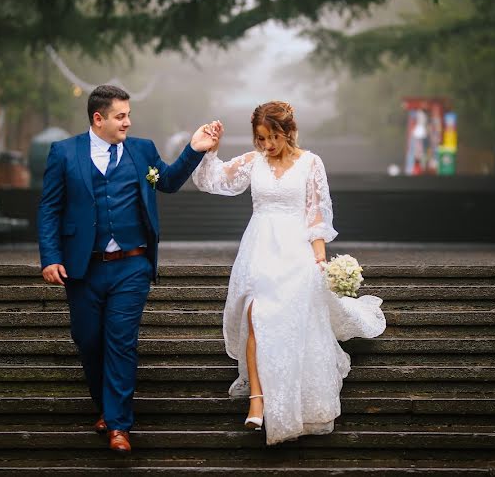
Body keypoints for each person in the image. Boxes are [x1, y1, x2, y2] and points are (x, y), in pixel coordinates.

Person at [37, 84, 218, 454]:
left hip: (131, 265)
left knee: (121, 342)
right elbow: (49, 209)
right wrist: (50, 257)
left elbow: (165, 182)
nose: (128, 122)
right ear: (98, 118)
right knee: (88, 341)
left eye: (128, 114)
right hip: (81, 268)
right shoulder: (64, 153)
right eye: (120, 116)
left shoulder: (142, 150)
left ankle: (119, 425)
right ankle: (105, 407)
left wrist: (194, 150)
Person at [192, 101, 386, 445]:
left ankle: (293, 397)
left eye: (273, 137)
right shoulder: (253, 162)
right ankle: (257, 399)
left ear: (289, 132)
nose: (267, 145)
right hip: (259, 250)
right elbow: (213, 179)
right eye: (261, 138)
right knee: (254, 313)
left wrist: (320, 260)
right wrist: (211, 150)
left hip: (295, 252)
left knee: (290, 322)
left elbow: (316, 215)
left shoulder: (311, 164)